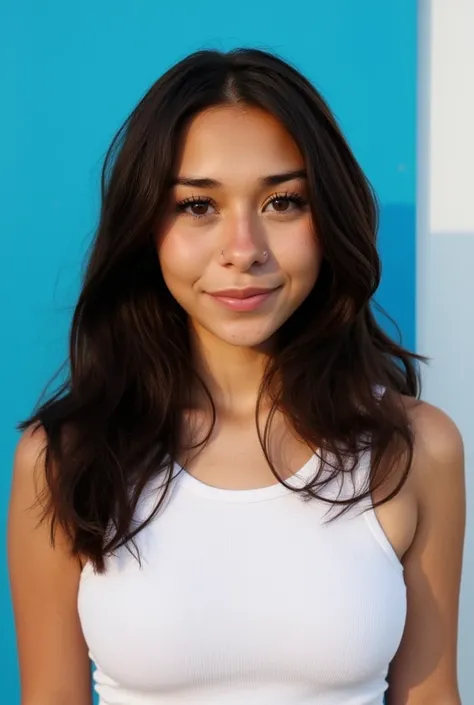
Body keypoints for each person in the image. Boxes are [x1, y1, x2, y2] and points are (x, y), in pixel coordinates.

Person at [7, 48, 465, 705]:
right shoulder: (65, 458)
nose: (243, 249)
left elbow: (431, 694)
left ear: (328, 219)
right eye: (198, 206)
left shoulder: (417, 449)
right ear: (147, 228)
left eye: (283, 201)